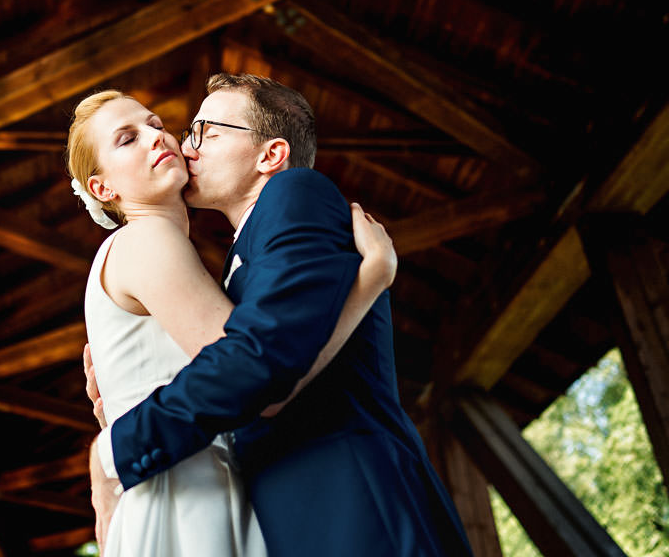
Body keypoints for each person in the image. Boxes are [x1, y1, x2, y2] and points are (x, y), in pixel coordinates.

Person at [86, 74, 474, 557]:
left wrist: (113, 451)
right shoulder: (229, 258)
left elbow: (259, 361)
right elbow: (252, 363)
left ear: (270, 155)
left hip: (354, 504)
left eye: (207, 130)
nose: (185, 144)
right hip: (290, 513)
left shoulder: (296, 194)